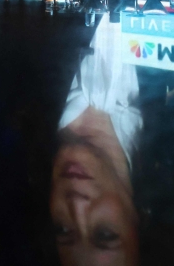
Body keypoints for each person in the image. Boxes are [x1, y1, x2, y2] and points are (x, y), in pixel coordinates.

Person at [51, 14, 142, 266]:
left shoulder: (15, 86)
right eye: (104, 234)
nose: (76, 204)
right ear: (140, 221)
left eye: (63, 230)